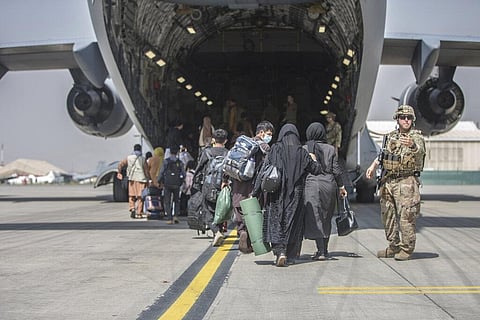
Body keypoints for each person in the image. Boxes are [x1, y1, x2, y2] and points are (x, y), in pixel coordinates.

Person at [253, 123, 324, 267]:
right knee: (293, 223)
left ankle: (280, 251)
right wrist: (314, 159)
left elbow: (264, 171)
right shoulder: (302, 152)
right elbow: (316, 170)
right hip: (296, 195)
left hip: (276, 193)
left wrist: (256, 192)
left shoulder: (275, 149)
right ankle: (290, 255)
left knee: (276, 221)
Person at [365, 105, 426, 261]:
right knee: (388, 215)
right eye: (402, 117)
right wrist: (373, 166)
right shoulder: (391, 136)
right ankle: (393, 246)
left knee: (406, 216)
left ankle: (406, 249)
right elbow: (383, 154)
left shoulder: (416, 137)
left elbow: (419, 152)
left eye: (409, 118)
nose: (406, 120)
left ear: (413, 120)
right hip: (389, 181)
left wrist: (412, 145)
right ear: (397, 119)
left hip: (406, 181)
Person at [303, 122, 347, 260]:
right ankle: (325, 250)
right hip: (329, 184)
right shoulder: (331, 149)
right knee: (326, 217)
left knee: (315, 217)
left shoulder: (305, 148)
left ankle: (320, 250)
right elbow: (336, 170)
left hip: (311, 183)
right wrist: (341, 186)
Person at [232, 120, 275, 254]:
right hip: (253, 186)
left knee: (239, 209)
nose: (270, 137)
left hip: (238, 185)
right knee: (253, 212)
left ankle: (242, 232)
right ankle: (250, 238)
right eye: (268, 133)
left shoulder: (242, 144)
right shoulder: (265, 148)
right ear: (261, 133)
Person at [193, 128, 229, 246]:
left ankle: (216, 231)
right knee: (220, 209)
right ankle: (217, 232)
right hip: (223, 186)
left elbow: (199, 169)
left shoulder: (207, 153)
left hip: (208, 186)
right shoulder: (228, 153)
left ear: (213, 139)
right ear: (225, 141)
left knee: (207, 209)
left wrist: (196, 184)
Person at [117, 144, 150, 219]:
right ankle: (139, 213)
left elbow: (120, 164)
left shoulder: (128, 158)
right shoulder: (143, 158)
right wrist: (148, 178)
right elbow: (146, 170)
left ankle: (132, 208)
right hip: (141, 179)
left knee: (131, 195)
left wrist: (119, 172)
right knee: (140, 197)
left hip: (132, 179)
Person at [158, 145, 185, 224]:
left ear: (170, 152)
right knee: (176, 200)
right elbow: (183, 174)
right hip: (176, 184)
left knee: (167, 201)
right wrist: (181, 181)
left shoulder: (166, 161)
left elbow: (161, 172)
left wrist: (159, 181)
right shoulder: (180, 162)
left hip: (167, 184)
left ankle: (169, 218)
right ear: (177, 152)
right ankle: (176, 216)